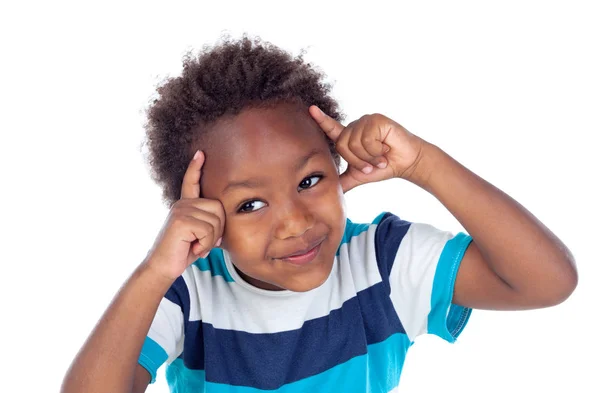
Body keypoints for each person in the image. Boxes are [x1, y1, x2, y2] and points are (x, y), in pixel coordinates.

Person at [61, 36, 578, 393]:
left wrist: (424, 163)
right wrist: (155, 271)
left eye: (310, 181)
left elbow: (546, 282)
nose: (294, 223)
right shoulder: (187, 292)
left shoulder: (382, 262)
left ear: (337, 167)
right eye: (250, 204)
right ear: (201, 215)